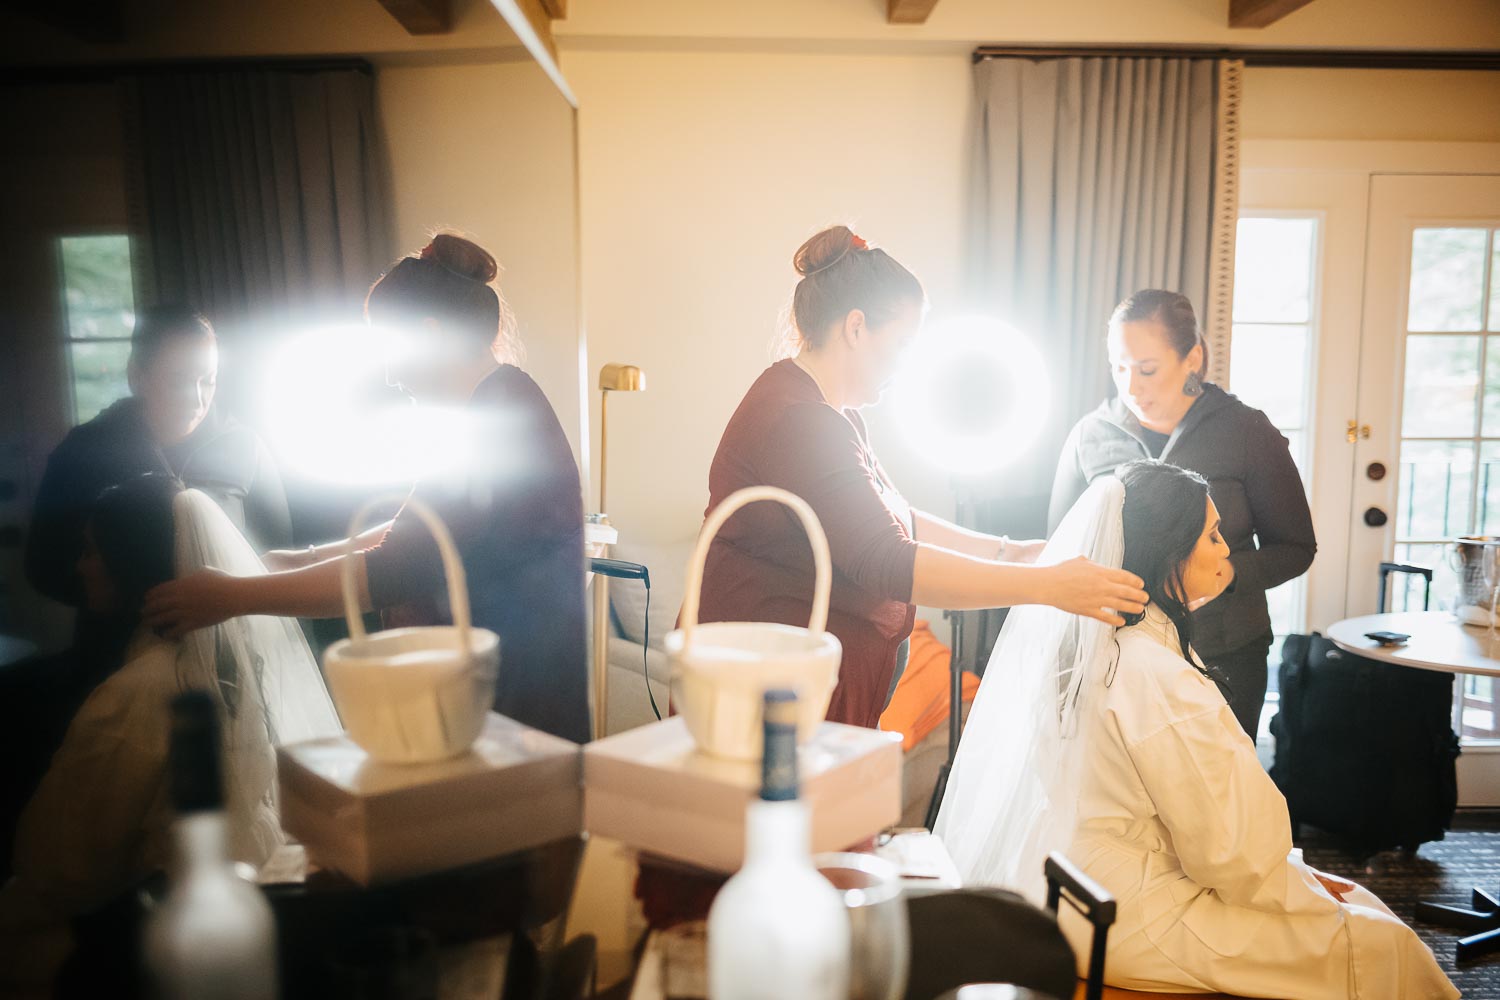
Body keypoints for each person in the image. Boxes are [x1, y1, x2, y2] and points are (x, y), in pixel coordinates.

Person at [938, 461, 1456, 999]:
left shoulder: (1089, 651)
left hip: (1066, 886)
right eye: (1211, 535)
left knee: (1361, 911)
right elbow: (1234, 852)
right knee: (1382, 942)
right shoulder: (1155, 675)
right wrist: (1306, 887)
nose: (1226, 551)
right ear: (1169, 553)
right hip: (1130, 914)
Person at [143, 234, 590, 744]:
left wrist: (234, 597)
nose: (390, 374)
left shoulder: (499, 416)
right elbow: (414, 528)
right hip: (494, 689)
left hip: (515, 701)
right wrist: (296, 559)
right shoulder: (493, 403)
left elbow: (394, 569)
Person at [696, 225, 1148, 730]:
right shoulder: (802, 420)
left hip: (798, 679)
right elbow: (888, 559)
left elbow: (897, 518)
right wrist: (1043, 585)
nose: (907, 365)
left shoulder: (834, 413)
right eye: (904, 344)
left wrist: (1013, 550)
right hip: (766, 690)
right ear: (856, 328)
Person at [0, 474, 339, 992]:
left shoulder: (135, 696)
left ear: (128, 559)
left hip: (159, 940)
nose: (80, 566)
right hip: (255, 900)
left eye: (92, 551)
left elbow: (60, 867)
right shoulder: (228, 667)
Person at [1049, 290, 1315, 738]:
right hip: (1117, 657)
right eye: (1119, 368)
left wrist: (1228, 574)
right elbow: (1060, 549)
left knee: (1221, 796)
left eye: (1147, 369)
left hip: (1225, 653)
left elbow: (1296, 548)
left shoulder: (1247, 431)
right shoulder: (1090, 435)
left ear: (1192, 358)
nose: (1131, 386)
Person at [26, 305, 291, 694]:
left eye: (208, 381)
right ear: (138, 377)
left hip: (228, 664)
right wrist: (132, 598)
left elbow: (276, 551)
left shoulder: (245, 447)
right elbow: (42, 565)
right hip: (117, 663)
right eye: (180, 380)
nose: (196, 399)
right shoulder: (84, 450)